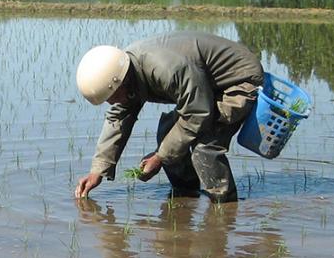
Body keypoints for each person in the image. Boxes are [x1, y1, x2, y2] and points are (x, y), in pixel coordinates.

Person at [74, 31, 264, 202]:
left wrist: (160, 157)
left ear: (121, 82)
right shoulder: (126, 71)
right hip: (205, 87)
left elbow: (197, 114)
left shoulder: (165, 69)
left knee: (205, 146)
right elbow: (117, 119)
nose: (111, 103)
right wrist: (98, 170)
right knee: (167, 133)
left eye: (111, 97)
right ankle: (187, 195)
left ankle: (224, 207)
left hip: (238, 81)